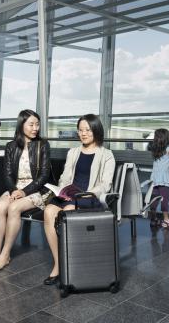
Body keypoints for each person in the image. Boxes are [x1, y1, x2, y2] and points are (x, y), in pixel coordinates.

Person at [42, 114, 115, 285]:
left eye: (87, 130)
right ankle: (59, 263)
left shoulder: (106, 155)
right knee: (49, 211)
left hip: (88, 197)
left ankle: (70, 265)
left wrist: (89, 193)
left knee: (66, 214)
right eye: (80, 130)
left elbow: (106, 184)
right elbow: (64, 177)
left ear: (96, 130)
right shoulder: (73, 152)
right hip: (70, 195)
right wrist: (62, 189)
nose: (83, 133)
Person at [0, 109, 51, 272]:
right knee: (0, 207)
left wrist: (24, 192)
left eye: (37, 124)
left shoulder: (43, 145)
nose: (35, 128)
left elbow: (44, 176)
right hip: (15, 188)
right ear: (21, 125)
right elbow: (7, 174)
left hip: (37, 189)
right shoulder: (11, 146)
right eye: (31, 124)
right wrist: (14, 190)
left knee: (13, 208)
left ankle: (5, 255)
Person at [147, 128, 169, 228]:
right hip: (163, 180)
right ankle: (166, 220)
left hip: (154, 178)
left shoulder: (155, 149)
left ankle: (153, 219)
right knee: (164, 200)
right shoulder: (168, 149)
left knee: (154, 199)